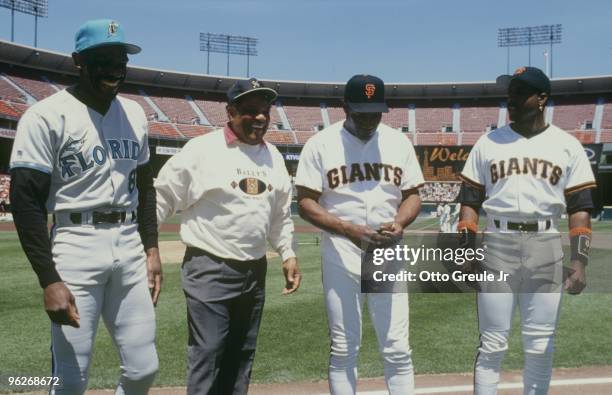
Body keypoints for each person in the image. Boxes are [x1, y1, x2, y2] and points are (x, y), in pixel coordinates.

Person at [9, 19, 161, 394]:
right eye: (103, 58)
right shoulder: (45, 116)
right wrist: (49, 279)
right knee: (71, 379)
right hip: (75, 243)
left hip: (128, 243)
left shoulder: (136, 113)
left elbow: (144, 186)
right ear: (78, 61)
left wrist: (152, 248)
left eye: (120, 58)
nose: (114, 67)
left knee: (143, 369)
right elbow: (25, 202)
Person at [155, 77, 301, 395]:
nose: (260, 118)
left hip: (254, 269)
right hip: (209, 265)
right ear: (230, 111)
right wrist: (147, 248)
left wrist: (287, 253)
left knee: (241, 356)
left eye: (265, 111)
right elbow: (162, 197)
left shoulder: (274, 157)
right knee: (207, 355)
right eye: (250, 110)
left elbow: (280, 215)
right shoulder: (202, 150)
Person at [458, 66, 596, 394]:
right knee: (492, 343)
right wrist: (464, 252)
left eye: (520, 92)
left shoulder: (567, 146)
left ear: (542, 98)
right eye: (510, 92)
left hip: (545, 243)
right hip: (498, 242)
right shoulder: (488, 142)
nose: (512, 99)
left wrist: (580, 262)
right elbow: (469, 203)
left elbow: (579, 210)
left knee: (540, 344)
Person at [295, 74, 423, 395]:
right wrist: (347, 230)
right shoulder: (321, 144)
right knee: (343, 347)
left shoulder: (397, 141)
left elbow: (413, 195)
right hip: (341, 251)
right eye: (361, 112)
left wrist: (400, 222)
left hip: (387, 250)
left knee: (396, 347)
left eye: (375, 112)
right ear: (344, 107)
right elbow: (306, 202)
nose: (368, 119)